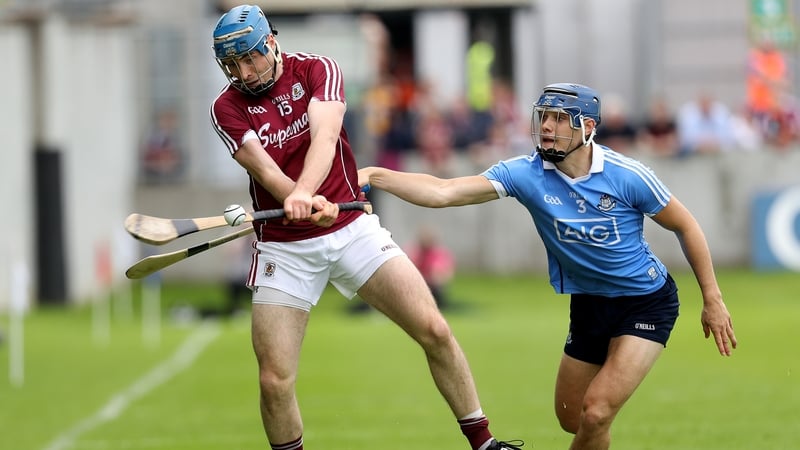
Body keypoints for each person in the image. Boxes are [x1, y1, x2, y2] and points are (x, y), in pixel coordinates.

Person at [209, 5, 522, 450]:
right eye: (233, 64)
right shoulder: (225, 107)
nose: (244, 71)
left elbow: (325, 134)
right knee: (274, 379)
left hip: (352, 227)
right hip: (284, 247)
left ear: (271, 43)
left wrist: (307, 192)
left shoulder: (318, 69)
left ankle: (484, 443)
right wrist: (297, 197)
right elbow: (263, 169)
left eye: (250, 57)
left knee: (433, 329)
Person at [359, 83, 738, 450]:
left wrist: (713, 299)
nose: (546, 127)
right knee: (573, 418)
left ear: (588, 127)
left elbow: (685, 225)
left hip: (646, 302)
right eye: (543, 117)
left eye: (559, 119)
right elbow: (443, 191)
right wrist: (376, 175)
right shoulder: (526, 173)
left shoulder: (628, 175)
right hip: (589, 304)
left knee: (596, 412)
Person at [405, 225, 456, 310]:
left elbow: (444, 274)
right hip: (416, 283)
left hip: (432, 285)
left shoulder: (439, 253)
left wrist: (436, 276)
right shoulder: (414, 252)